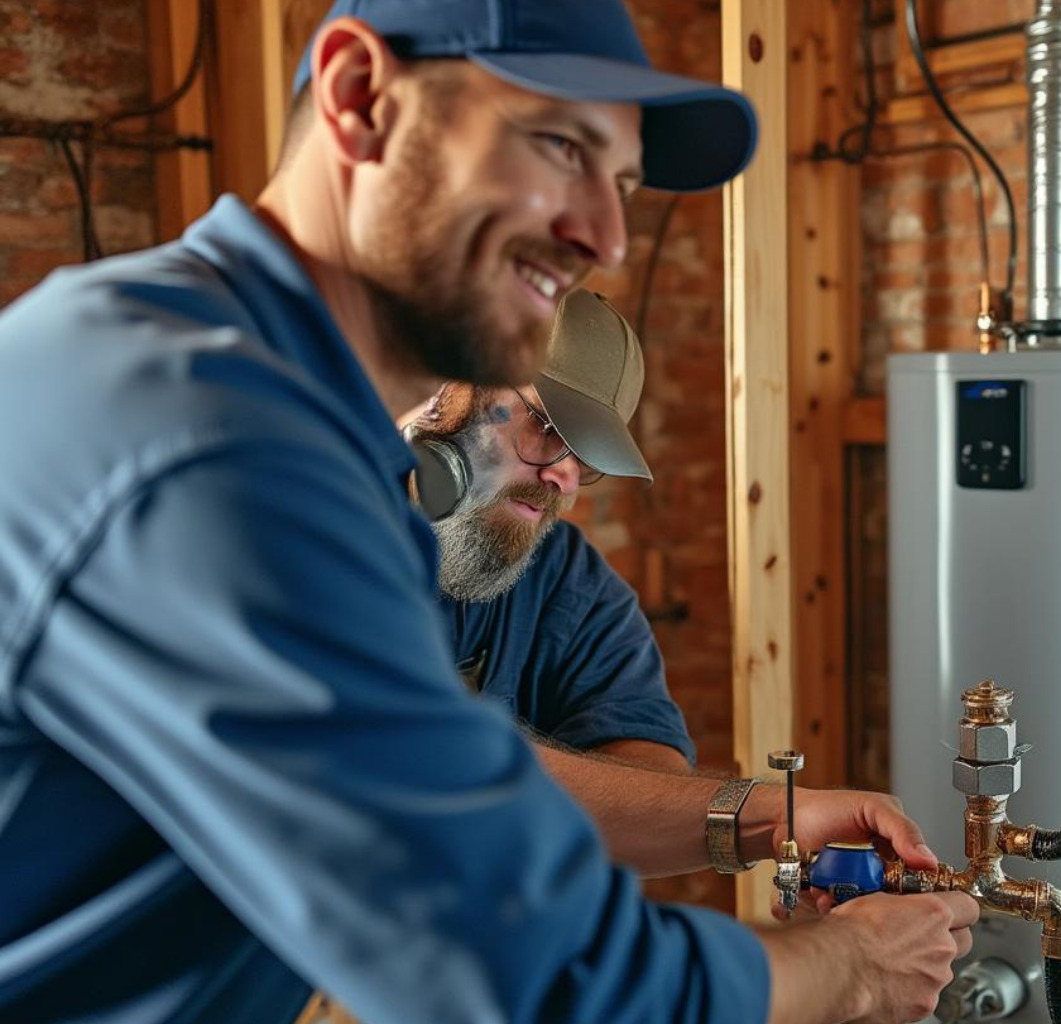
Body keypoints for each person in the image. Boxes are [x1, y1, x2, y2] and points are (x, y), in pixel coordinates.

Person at [0, 3, 979, 1024]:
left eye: (625, 183)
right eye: (561, 144)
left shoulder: (273, 417)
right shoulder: (204, 436)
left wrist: (759, 818)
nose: (603, 233)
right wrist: (851, 964)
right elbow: (542, 976)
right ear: (358, 97)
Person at [415, 289, 693, 772]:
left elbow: (655, 770)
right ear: (449, 391)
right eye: (545, 426)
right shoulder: (316, 531)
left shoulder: (565, 576)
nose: (564, 478)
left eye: (585, 457)